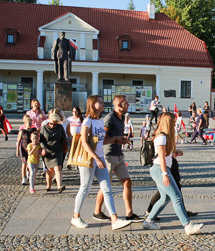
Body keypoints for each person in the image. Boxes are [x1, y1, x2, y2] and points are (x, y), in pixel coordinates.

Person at [71, 95, 132, 231]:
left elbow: (101, 141)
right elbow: (84, 142)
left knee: (107, 189)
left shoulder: (99, 121)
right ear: (93, 105)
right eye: (99, 102)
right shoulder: (87, 121)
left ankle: (114, 220)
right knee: (85, 188)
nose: (102, 104)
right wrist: (96, 158)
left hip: (100, 158)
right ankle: (76, 216)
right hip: (89, 160)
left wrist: (116, 139)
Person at [142, 113, 204, 235]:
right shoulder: (161, 137)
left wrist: (174, 152)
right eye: (173, 121)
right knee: (176, 197)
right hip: (160, 169)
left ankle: (148, 221)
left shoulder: (164, 136)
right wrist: (165, 174)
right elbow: (161, 157)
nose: (175, 123)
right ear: (168, 122)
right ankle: (187, 225)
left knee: (164, 198)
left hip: (160, 169)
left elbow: (164, 154)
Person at [93, 95, 143, 222]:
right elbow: (101, 139)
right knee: (106, 186)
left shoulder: (121, 118)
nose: (128, 105)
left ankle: (129, 213)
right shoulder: (110, 118)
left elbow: (116, 137)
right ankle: (97, 211)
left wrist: (123, 139)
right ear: (120, 105)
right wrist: (116, 139)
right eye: (126, 103)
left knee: (127, 182)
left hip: (119, 155)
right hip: (109, 156)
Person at [40, 112, 67, 193]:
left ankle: (59, 186)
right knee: (49, 169)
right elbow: (41, 140)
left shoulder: (60, 127)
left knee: (58, 168)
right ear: (49, 121)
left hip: (58, 150)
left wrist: (66, 147)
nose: (52, 126)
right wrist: (43, 148)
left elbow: (64, 138)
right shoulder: (44, 128)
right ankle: (48, 185)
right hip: (47, 151)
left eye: (55, 124)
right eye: (51, 124)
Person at [16, 115, 36, 185]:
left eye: (31, 123)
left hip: (31, 149)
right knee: (24, 164)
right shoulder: (22, 131)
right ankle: (23, 178)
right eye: (28, 123)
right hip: (24, 149)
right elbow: (18, 141)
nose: (30, 124)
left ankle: (29, 175)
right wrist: (17, 150)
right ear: (25, 123)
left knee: (30, 163)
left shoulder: (33, 130)